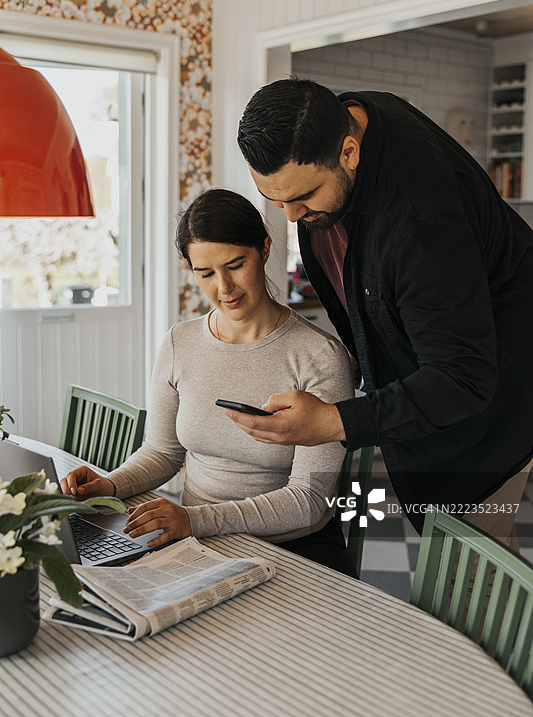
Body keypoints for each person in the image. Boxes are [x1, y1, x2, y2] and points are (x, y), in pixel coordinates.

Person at [234, 77, 533, 547]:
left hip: (495, 400)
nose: (291, 216)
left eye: (303, 196)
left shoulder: (423, 224)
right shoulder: (348, 115)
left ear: (349, 153)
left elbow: (464, 379)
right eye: (275, 199)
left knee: (467, 569)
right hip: (447, 376)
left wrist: (334, 422)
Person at [60, 188, 356, 575]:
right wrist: (108, 486)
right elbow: (162, 453)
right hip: (197, 545)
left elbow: (310, 501)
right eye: (205, 273)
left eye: (235, 264)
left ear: (264, 249)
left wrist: (196, 520)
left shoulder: (319, 357)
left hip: (294, 550)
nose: (224, 288)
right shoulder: (179, 343)